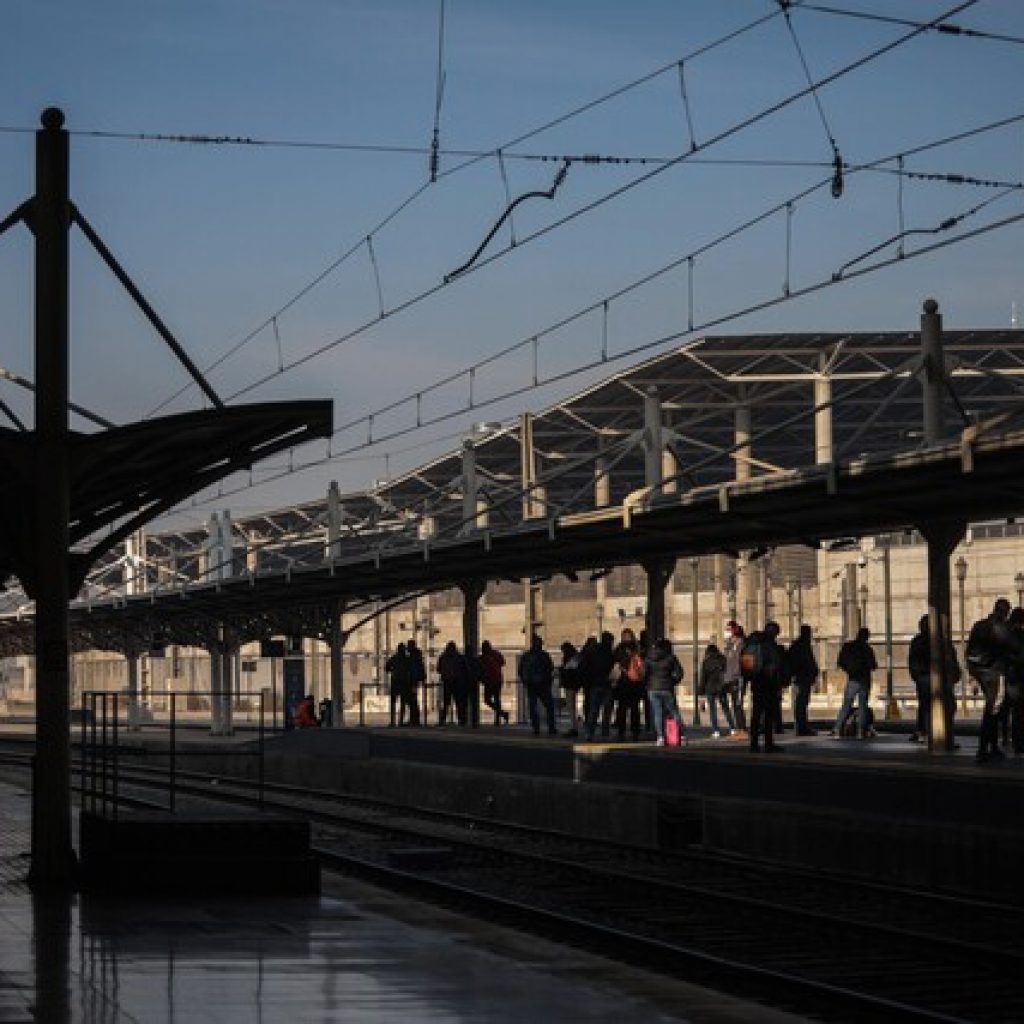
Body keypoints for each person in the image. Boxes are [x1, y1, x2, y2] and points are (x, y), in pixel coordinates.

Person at [967, 598, 1012, 762]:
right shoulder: (1001, 628)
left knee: (991, 709)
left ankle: (989, 746)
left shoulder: (979, 625)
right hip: (995, 672)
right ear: (1005, 612)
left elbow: (970, 650)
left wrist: (972, 673)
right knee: (993, 710)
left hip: (980, 672)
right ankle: (986, 747)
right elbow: (1010, 649)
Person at [744, 621, 786, 753]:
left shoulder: (754, 645)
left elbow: (747, 667)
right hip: (769, 683)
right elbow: (776, 665)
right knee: (768, 715)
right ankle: (768, 744)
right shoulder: (770, 646)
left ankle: (754, 744)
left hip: (757, 682)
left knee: (756, 714)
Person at [831, 627, 878, 740]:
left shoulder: (848, 647)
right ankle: (861, 731)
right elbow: (873, 665)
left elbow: (840, 661)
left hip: (852, 679)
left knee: (846, 704)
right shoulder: (867, 649)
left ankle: (837, 728)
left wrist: (849, 670)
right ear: (866, 637)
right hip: (864, 679)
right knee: (863, 705)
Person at [646, 637, 686, 746]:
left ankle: (660, 738)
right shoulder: (671, 658)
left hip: (653, 689)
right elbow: (680, 673)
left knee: (657, 713)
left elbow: (645, 673)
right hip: (667, 688)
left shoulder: (649, 657)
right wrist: (672, 681)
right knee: (674, 712)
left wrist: (648, 684)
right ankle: (681, 737)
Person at [518, 634, 556, 736]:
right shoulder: (544, 656)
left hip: (531, 685)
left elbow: (520, 671)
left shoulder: (526, 656)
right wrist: (548, 682)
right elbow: (550, 669)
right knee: (549, 706)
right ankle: (551, 727)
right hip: (543, 685)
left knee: (533, 707)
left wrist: (525, 681)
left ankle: (536, 727)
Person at [581, 632, 616, 741]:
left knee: (594, 710)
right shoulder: (610, 653)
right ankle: (605, 732)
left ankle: (589, 733)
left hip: (594, 684)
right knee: (607, 711)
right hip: (607, 684)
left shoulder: (592, 652)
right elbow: (613, 669)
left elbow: (586, 667)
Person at [613, 627, 645, 742]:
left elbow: (616, 662)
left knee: (622, 709)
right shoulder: (638, 648)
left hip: (624, 683)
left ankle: (622, 732)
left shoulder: (619, 649)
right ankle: (635, 732)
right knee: (634, 709)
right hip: (635, 683)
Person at [786, 624, 819, 736]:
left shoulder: (798, 645)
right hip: (801, 678)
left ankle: (801, 727)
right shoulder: (802, 645)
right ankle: (801, 728)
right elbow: (807, 662)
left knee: (800, 703)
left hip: (800, 677)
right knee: (800, 703)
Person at [699, 642, 734, 738]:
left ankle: (716, 731)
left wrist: (701, 693)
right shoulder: (723, 659)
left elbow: (703, 678)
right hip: (721, 688)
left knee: (712, 710)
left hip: (710, 688)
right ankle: (732, 728)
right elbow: (727, 673)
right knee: (726, 709)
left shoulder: (706, 662)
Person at [723, 620, 747, 733]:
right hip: (730, 677)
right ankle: (738, 728)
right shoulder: (729, 644)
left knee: (738, 703)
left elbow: (742, 661)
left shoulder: (741, 643)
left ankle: (742, 728)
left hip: (737, 677)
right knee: (734, 703)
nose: (726, 632)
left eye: (728, 630)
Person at [437, 641, 468, 726]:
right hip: (457, 681)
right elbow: (464, 668)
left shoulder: (443, 657)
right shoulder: (459, 657)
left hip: (447, 681)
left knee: (446, 702)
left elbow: (438, 669)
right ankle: (461, 720)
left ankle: (442, 719)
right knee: (458, 702)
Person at [480, 640, 509, 726]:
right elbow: (503, 663)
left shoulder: (483, 657)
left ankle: (501, 714)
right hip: (498, 680)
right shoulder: (496, 654)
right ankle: (499, 717)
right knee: (497, 699)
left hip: (489, 681)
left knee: (487, 700)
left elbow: (480, 669)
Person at [559, 641, 582, 737]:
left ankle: (574, 727)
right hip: (574, 685)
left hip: (569, 685)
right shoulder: (577, 657)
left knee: (571, 707)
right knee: (572, 706)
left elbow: (567, 671)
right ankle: (574, 726)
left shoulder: (570, 659)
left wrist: (562, 671)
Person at [384, 642, 411, 727]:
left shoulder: (394, 658)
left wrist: (393, 670)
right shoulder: (407, 659)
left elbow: (386, 668)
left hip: (395, 681)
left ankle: (392, 721)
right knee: (403, 702)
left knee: (393, 702)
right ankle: (400, 721)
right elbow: (410, 670)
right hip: (404, 682)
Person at [405, 638, 425, 726]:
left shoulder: (412, 657)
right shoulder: (417, 656)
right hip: (414, 680)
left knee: (412, 700)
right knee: (413, 700)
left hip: (412, 681)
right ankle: (414, 719)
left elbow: (412, 669)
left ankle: (414, 719)